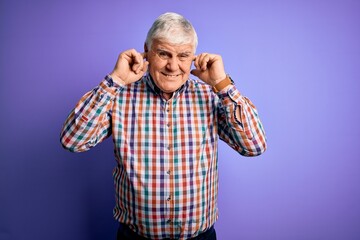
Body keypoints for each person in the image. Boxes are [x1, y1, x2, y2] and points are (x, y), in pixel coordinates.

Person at [60, 12, 267, 240]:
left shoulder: (212, 96)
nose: (173, 66)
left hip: (199, 237)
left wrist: (223, 84)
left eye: (183, 56)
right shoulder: (119, 95)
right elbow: (73, 141)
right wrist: (115, 80)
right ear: (146, 50)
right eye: (163, 54)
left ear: (193, 57)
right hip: (135, 237)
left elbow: (254, 146)